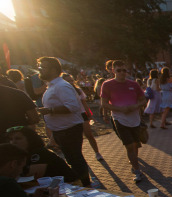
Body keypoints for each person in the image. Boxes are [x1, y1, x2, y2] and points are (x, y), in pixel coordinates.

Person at [36, 57, 91, 186]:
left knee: (75, 159)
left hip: (69, 130)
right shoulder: (52, 86)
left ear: (54, 70)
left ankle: (86, 185)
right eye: (40, 67)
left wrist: (50, 110)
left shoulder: (61, 86)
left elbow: (72, 106)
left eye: (43, 67)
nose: (40, 70)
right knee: (73, 159)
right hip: (62, 130)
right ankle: (84, 184)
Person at [100, 60, 147, 182]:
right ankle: (137, 171)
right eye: (118, 70)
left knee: (135, 144)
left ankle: (133, 162)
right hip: (119, 119)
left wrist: (135, 106)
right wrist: (119, 109)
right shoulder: (107, 85)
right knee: (129, 145)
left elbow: (143, 100)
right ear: (113, 71)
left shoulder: (134, 84)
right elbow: (104, 104)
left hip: (135, 118)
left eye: (124, 70)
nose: (121, 73)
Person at [6, 126, 77, 182]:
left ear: (30, 140)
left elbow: (31, 174)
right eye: (11, 139)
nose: (13, 142)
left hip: (70, 186)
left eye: (18, 138)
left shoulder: (40, 153)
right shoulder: (20, 154)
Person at [61, 73, 103, 161]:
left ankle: (97, 153)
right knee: (76, 138)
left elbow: (84, 104)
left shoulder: (78, 90)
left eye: (71, 80)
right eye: (67, 81)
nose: (70, 82)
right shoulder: (62, 92)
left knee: (89, 135)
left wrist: (90, 115)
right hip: (71, 116)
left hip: (82, 114)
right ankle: (80, 156)